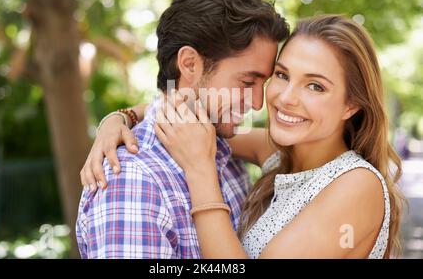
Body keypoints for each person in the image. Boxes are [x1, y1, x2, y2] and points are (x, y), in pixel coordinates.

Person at [84, 15, 405, 258]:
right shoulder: (280, 152)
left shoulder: (356, 185)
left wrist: (201, 172)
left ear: (351, 104)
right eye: (282, 75)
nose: (285, 97)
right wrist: (119, 118)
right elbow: (184, 112)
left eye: (315, 86)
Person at [75, 0, 289, 258]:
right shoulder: (133, 183)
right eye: (248, 82)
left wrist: (122, 115)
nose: (259, 102)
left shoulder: (226, 155)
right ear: (189, 64)